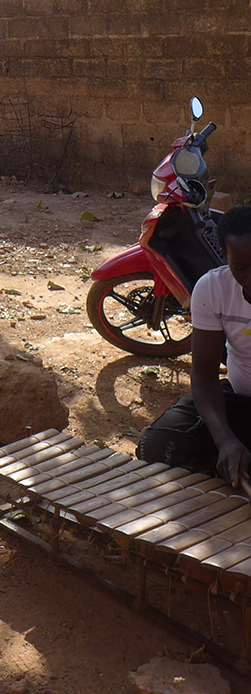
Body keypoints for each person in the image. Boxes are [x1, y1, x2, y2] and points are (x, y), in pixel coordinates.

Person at [137, 204, 251, 491]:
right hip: (239, 403)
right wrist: (224, 439)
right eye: (240, 268)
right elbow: (203, 373)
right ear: (226, 258)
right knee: (158, 444)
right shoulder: (213, 289)